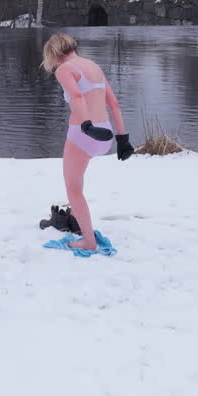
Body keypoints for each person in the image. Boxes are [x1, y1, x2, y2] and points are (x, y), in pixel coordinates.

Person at [42, 32, 133, 251]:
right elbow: (114, 104)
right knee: (78, 180)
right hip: (105, 134)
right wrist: (123, 139)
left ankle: (88, 242)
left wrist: (86, 125)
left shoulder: (65, 69)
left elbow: (78, 97)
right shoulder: (93, 66)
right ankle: (74, 219)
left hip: (83, 134)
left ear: (54, 53)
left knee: (73, 188)